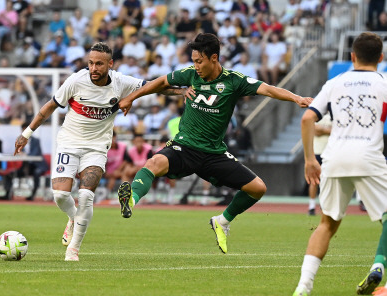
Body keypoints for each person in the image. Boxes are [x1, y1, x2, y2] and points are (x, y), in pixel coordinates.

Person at [117, 33, 312, 255]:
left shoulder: (233, 81)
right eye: (193, 61)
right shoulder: (190, 75)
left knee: (258, 188)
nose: (196, 66)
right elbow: (161, 81)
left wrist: (297, 98)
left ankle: (222, 221)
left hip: (213, 154)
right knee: (154, 162)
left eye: (199, 61)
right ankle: (131, 199)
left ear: (214, 58)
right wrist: (132, 97)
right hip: (185, 147)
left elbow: (267, 89)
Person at [14, 42, 184, 261]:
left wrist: (182, 91)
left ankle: (73, 249)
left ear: (110, 64)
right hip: (69, 143)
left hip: (96, 147)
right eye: (91, 63)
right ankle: (73, 218)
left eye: (99, 64)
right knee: (60, 195)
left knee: (85, 195)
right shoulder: (76, 81)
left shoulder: (121, 82)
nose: (94, 68)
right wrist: (26, 134)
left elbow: (154, 86)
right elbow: (50, 106)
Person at [289, 32, 387, 296]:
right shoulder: (384, 82)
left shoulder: (335, 82)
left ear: (352, 56)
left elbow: (308, 118)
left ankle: (303, 287)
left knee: (327, 224)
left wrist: (310, 159)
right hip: (368, 156)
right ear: (381, 58)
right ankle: (379, 266)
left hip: (333, 158)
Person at [307, 116, 331, 216]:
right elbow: (315, 130)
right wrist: (329, 130)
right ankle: (312, 206)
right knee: (314, 180)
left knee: (328, 181)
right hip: (316, 152)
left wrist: (322, 130)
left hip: (330, 153)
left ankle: (324, 205)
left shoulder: (335, 114)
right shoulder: (317, 114)